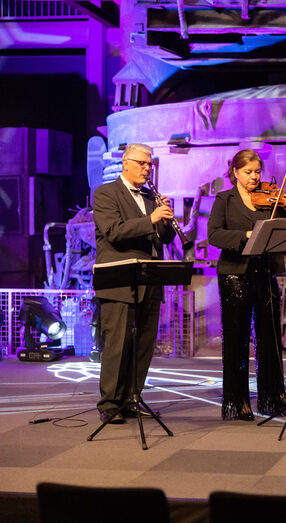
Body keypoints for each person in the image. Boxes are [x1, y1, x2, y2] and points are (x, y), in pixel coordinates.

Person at [208, 150, 286, 421]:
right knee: (236, 340)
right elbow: (214, 234)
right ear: (235, 172)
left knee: (270, 337)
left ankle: (273, 394)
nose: (254, 177)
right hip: (234, 274)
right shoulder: (224, 199)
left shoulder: (270, 198)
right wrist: (247, 235)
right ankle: (238, 401)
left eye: (257, 172)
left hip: (265, 273)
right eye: (248, 172)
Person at [93, 143, 176, 424]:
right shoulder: (106, 194)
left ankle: (132, 398)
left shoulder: (151, 198)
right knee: (117, 345)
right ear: (126, 163)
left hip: (150, 282)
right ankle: (110, 404)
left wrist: (165, 220)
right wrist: (150, 218)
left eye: (150, 164)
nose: (147, 168)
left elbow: (163, 240)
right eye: (141, 163)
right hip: (120, 282)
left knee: (143, 345)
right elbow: (114, 232)